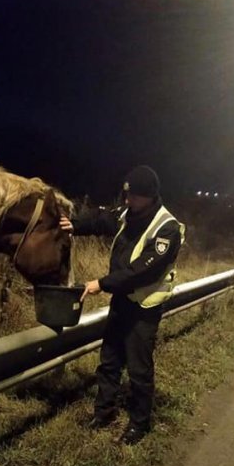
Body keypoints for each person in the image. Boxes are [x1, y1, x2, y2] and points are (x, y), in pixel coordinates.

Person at [60, 165, 185, 445]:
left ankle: (139, 424)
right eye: (127, 195)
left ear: (150, 196)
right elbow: (102, 220)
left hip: (144, 308)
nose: (128, 200)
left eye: (134, 196)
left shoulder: (166, 229)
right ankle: (103, 412)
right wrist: (75, 225)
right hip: (121, 301)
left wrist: (101, 284)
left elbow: (141, 272)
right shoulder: (129, 213)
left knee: (139, 370)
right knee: (110, 360)